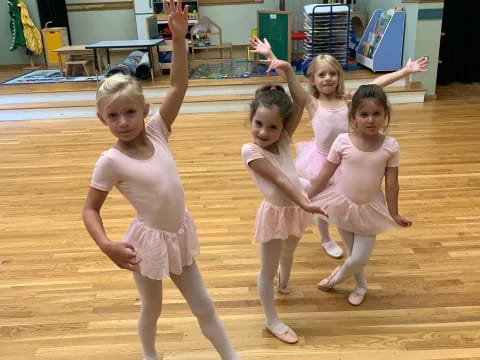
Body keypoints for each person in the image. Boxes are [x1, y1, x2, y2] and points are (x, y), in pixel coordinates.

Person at [82, 2, 239, 359]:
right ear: (102, 119)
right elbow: (89, 209)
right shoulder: (110, 161)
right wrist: (106, 244)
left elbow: (179, 85)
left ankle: (231, 356)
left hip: (178, 235)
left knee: (205, 305)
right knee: (152, 309)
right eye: (113, 116)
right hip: (147, 244)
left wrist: (180, 39)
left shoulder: (157, 132)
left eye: (130, 112)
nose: (123, 121)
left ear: (145, 111)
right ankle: (150, 355)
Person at [249, 37, 427, 259]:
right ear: (313, 80)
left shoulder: (349, 100)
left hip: (346, 158)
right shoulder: (312, 102)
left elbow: (376, 85)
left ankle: (349, 232)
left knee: (342, 198)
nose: (328, 78)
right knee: (322, 199)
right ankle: (325, 237)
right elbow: (291, 80)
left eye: (332, 74)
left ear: (339, 77)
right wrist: (270, 55)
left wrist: (405, 71)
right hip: (320, 160)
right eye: (322, 74)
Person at [241, 59, 327, 344]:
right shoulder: (250, 150)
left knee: (289, 250)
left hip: (294, 208)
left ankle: (285, 283)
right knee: (267, 270)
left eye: (272, 127)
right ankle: (272, 321)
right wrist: (304, 203)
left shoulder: (282, 139)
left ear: (282, 128)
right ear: (251, 120)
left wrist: (288, 70)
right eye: (258, 124)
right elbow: (279, 179)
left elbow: (300, 101)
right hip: (277, 211)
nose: (264, 132)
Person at [307, 84, 412, 306]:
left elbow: (392, 183)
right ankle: (360, 285)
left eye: (376, 114)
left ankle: (334, 279)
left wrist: (394, 213)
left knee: (359, 257)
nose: (370, 120)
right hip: (342, 203)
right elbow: (325, 174)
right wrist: (306, 197)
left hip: (370, 208)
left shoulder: (390, 146)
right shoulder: (342, 141)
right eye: (364, 114)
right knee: (353, 253)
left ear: (386, 114)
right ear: (353, 116)